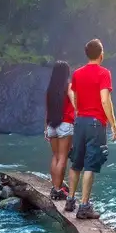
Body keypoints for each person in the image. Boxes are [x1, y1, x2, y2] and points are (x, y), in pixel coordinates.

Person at [65, 39, 116, 219]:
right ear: (101, 55)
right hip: (96, 123)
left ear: (87, 54)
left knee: (76, 162)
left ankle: (70, 200)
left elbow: (74, 94)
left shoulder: (77, 73)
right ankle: (84, 207)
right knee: (90, 164)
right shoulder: (104, 73)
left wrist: (78, 110)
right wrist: (113, 124)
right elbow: (105, 100)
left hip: (79, 121)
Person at [44, 61, 76, 200]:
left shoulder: (49, 90)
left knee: (55, 157)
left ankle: (54, 187)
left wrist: (46, 129)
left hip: (51, 125)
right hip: (65, 124)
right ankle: (58, 190)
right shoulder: (68, 87)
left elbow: (47, 111)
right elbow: (76, 105)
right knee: (63, 158)